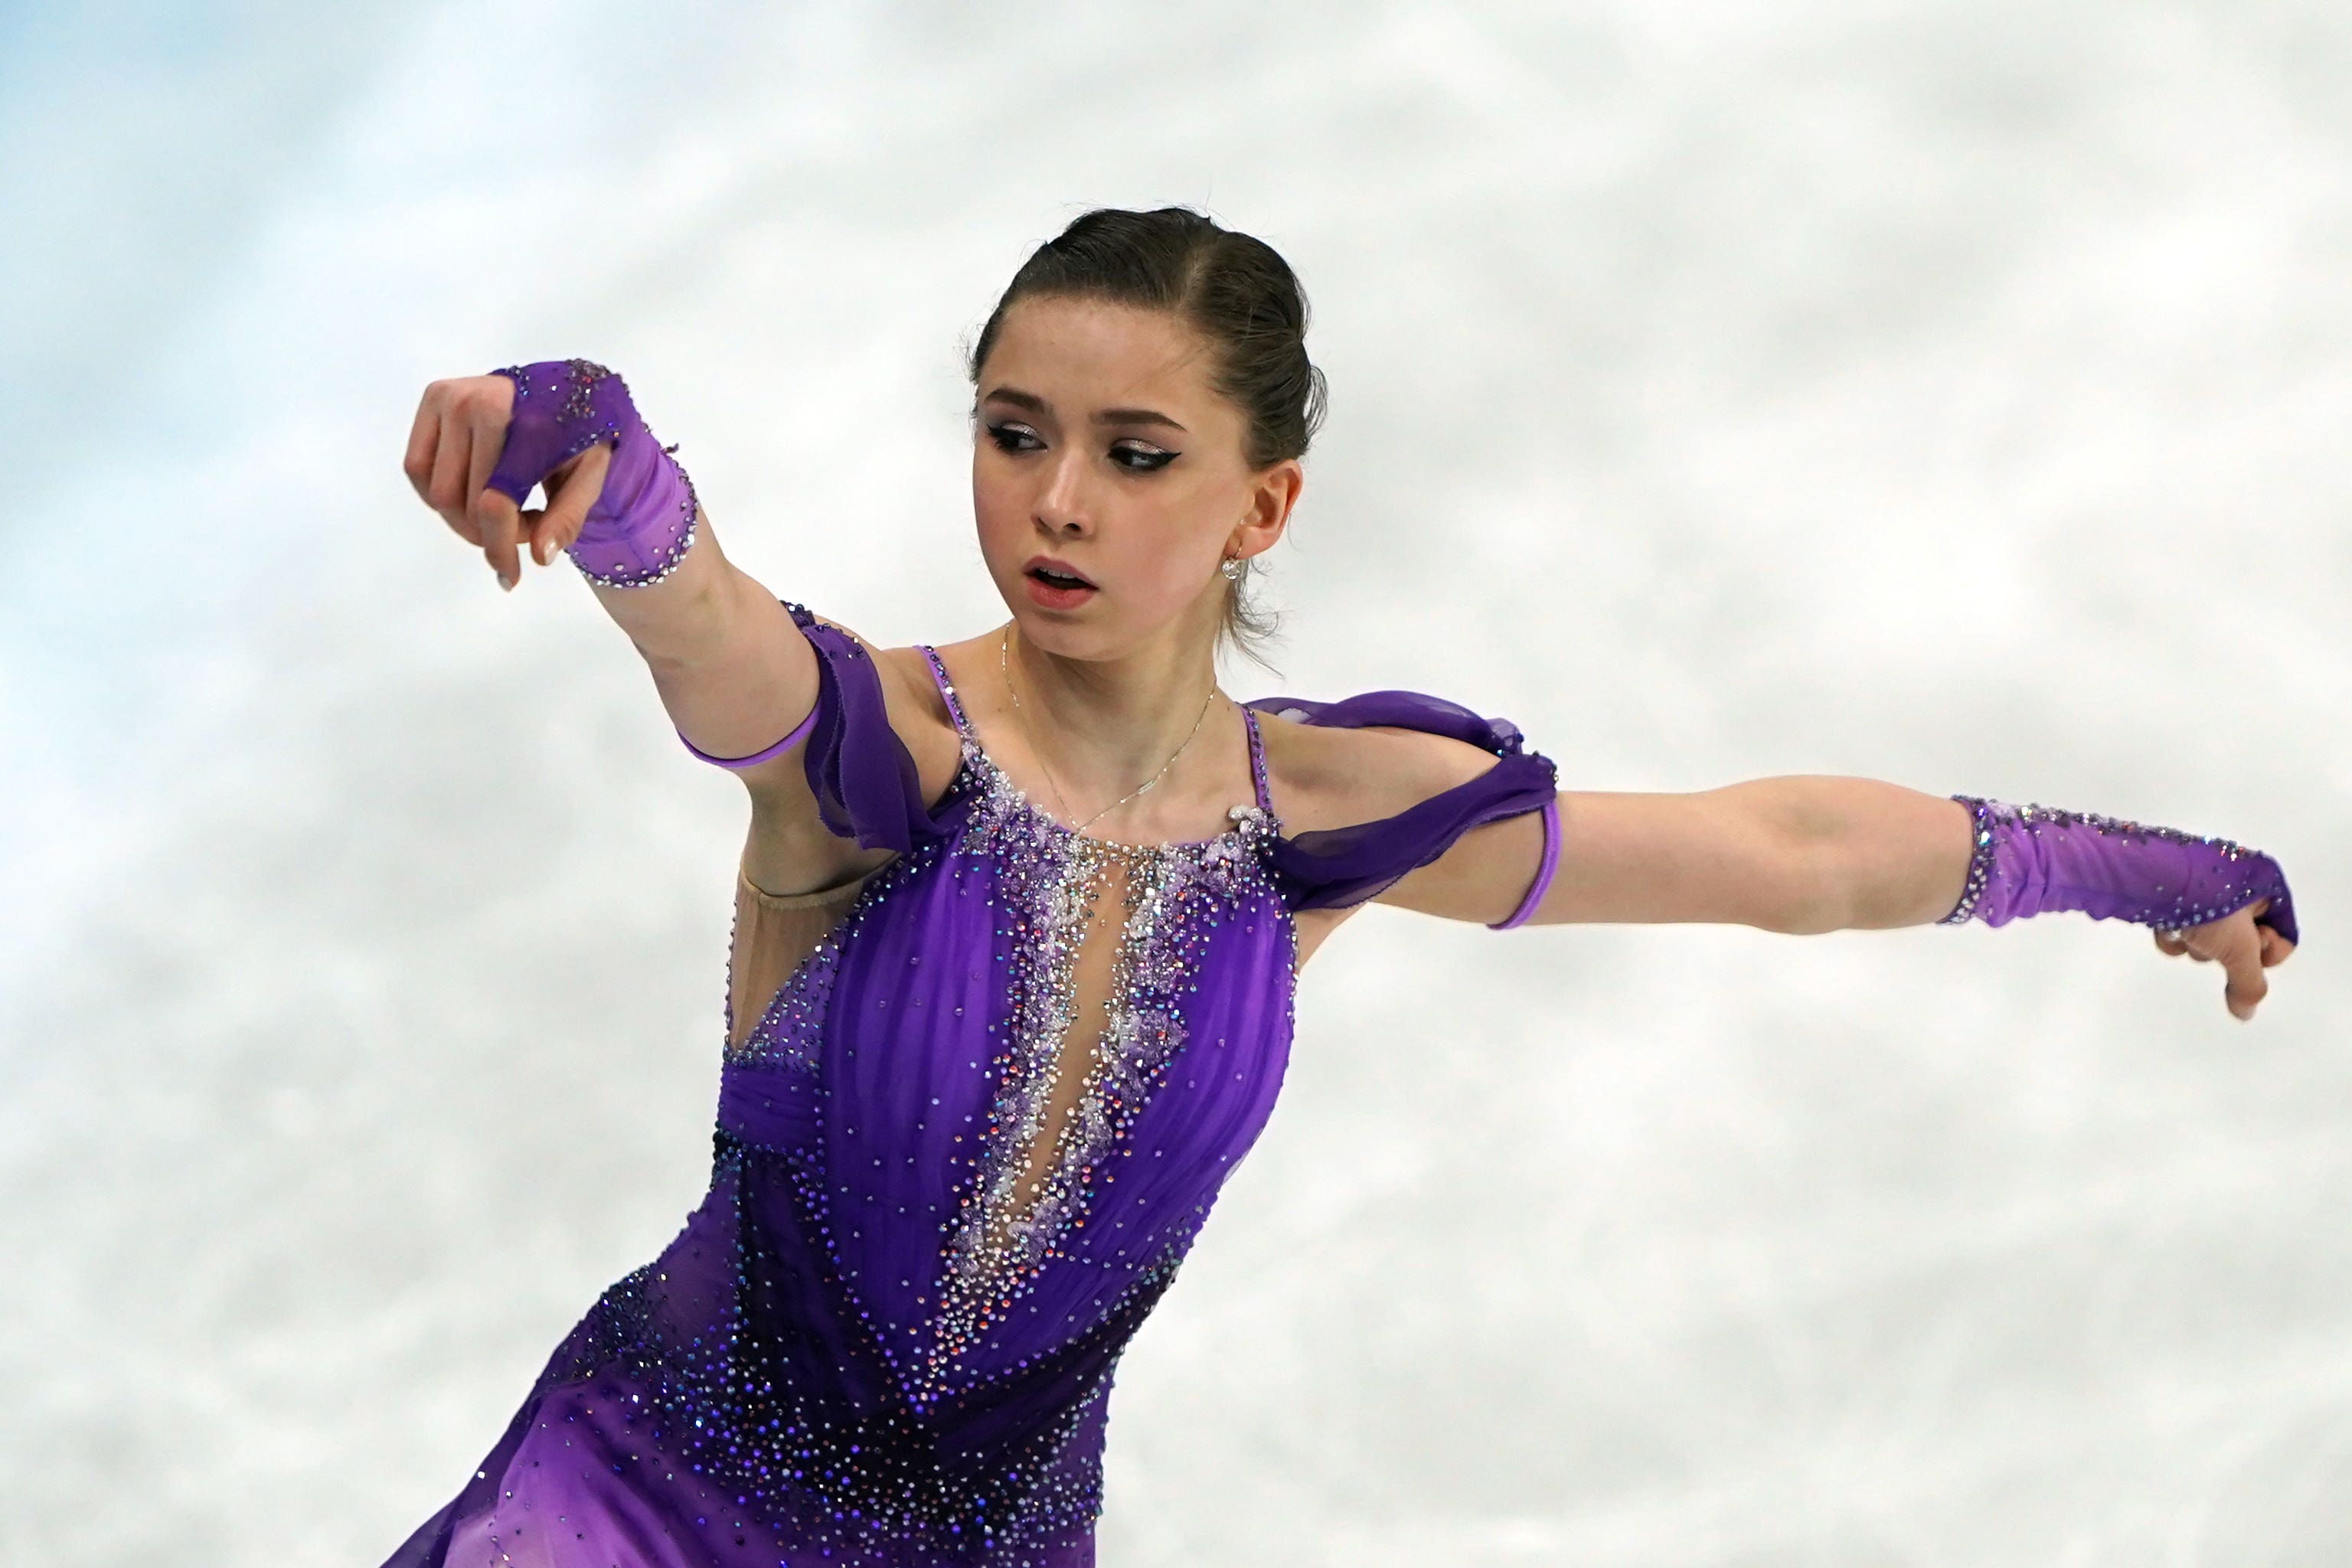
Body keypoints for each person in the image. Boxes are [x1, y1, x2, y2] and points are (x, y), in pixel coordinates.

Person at [386, 207, 2298, 1567]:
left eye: (1136, 455)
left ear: (1261, 503)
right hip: (633, 1510)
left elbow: (1781, 855)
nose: (1057, 500)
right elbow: (702, 618)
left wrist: (2128, 868)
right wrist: (592, 440)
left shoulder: (1321, 817)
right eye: (1014, 433)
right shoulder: (882, 758)